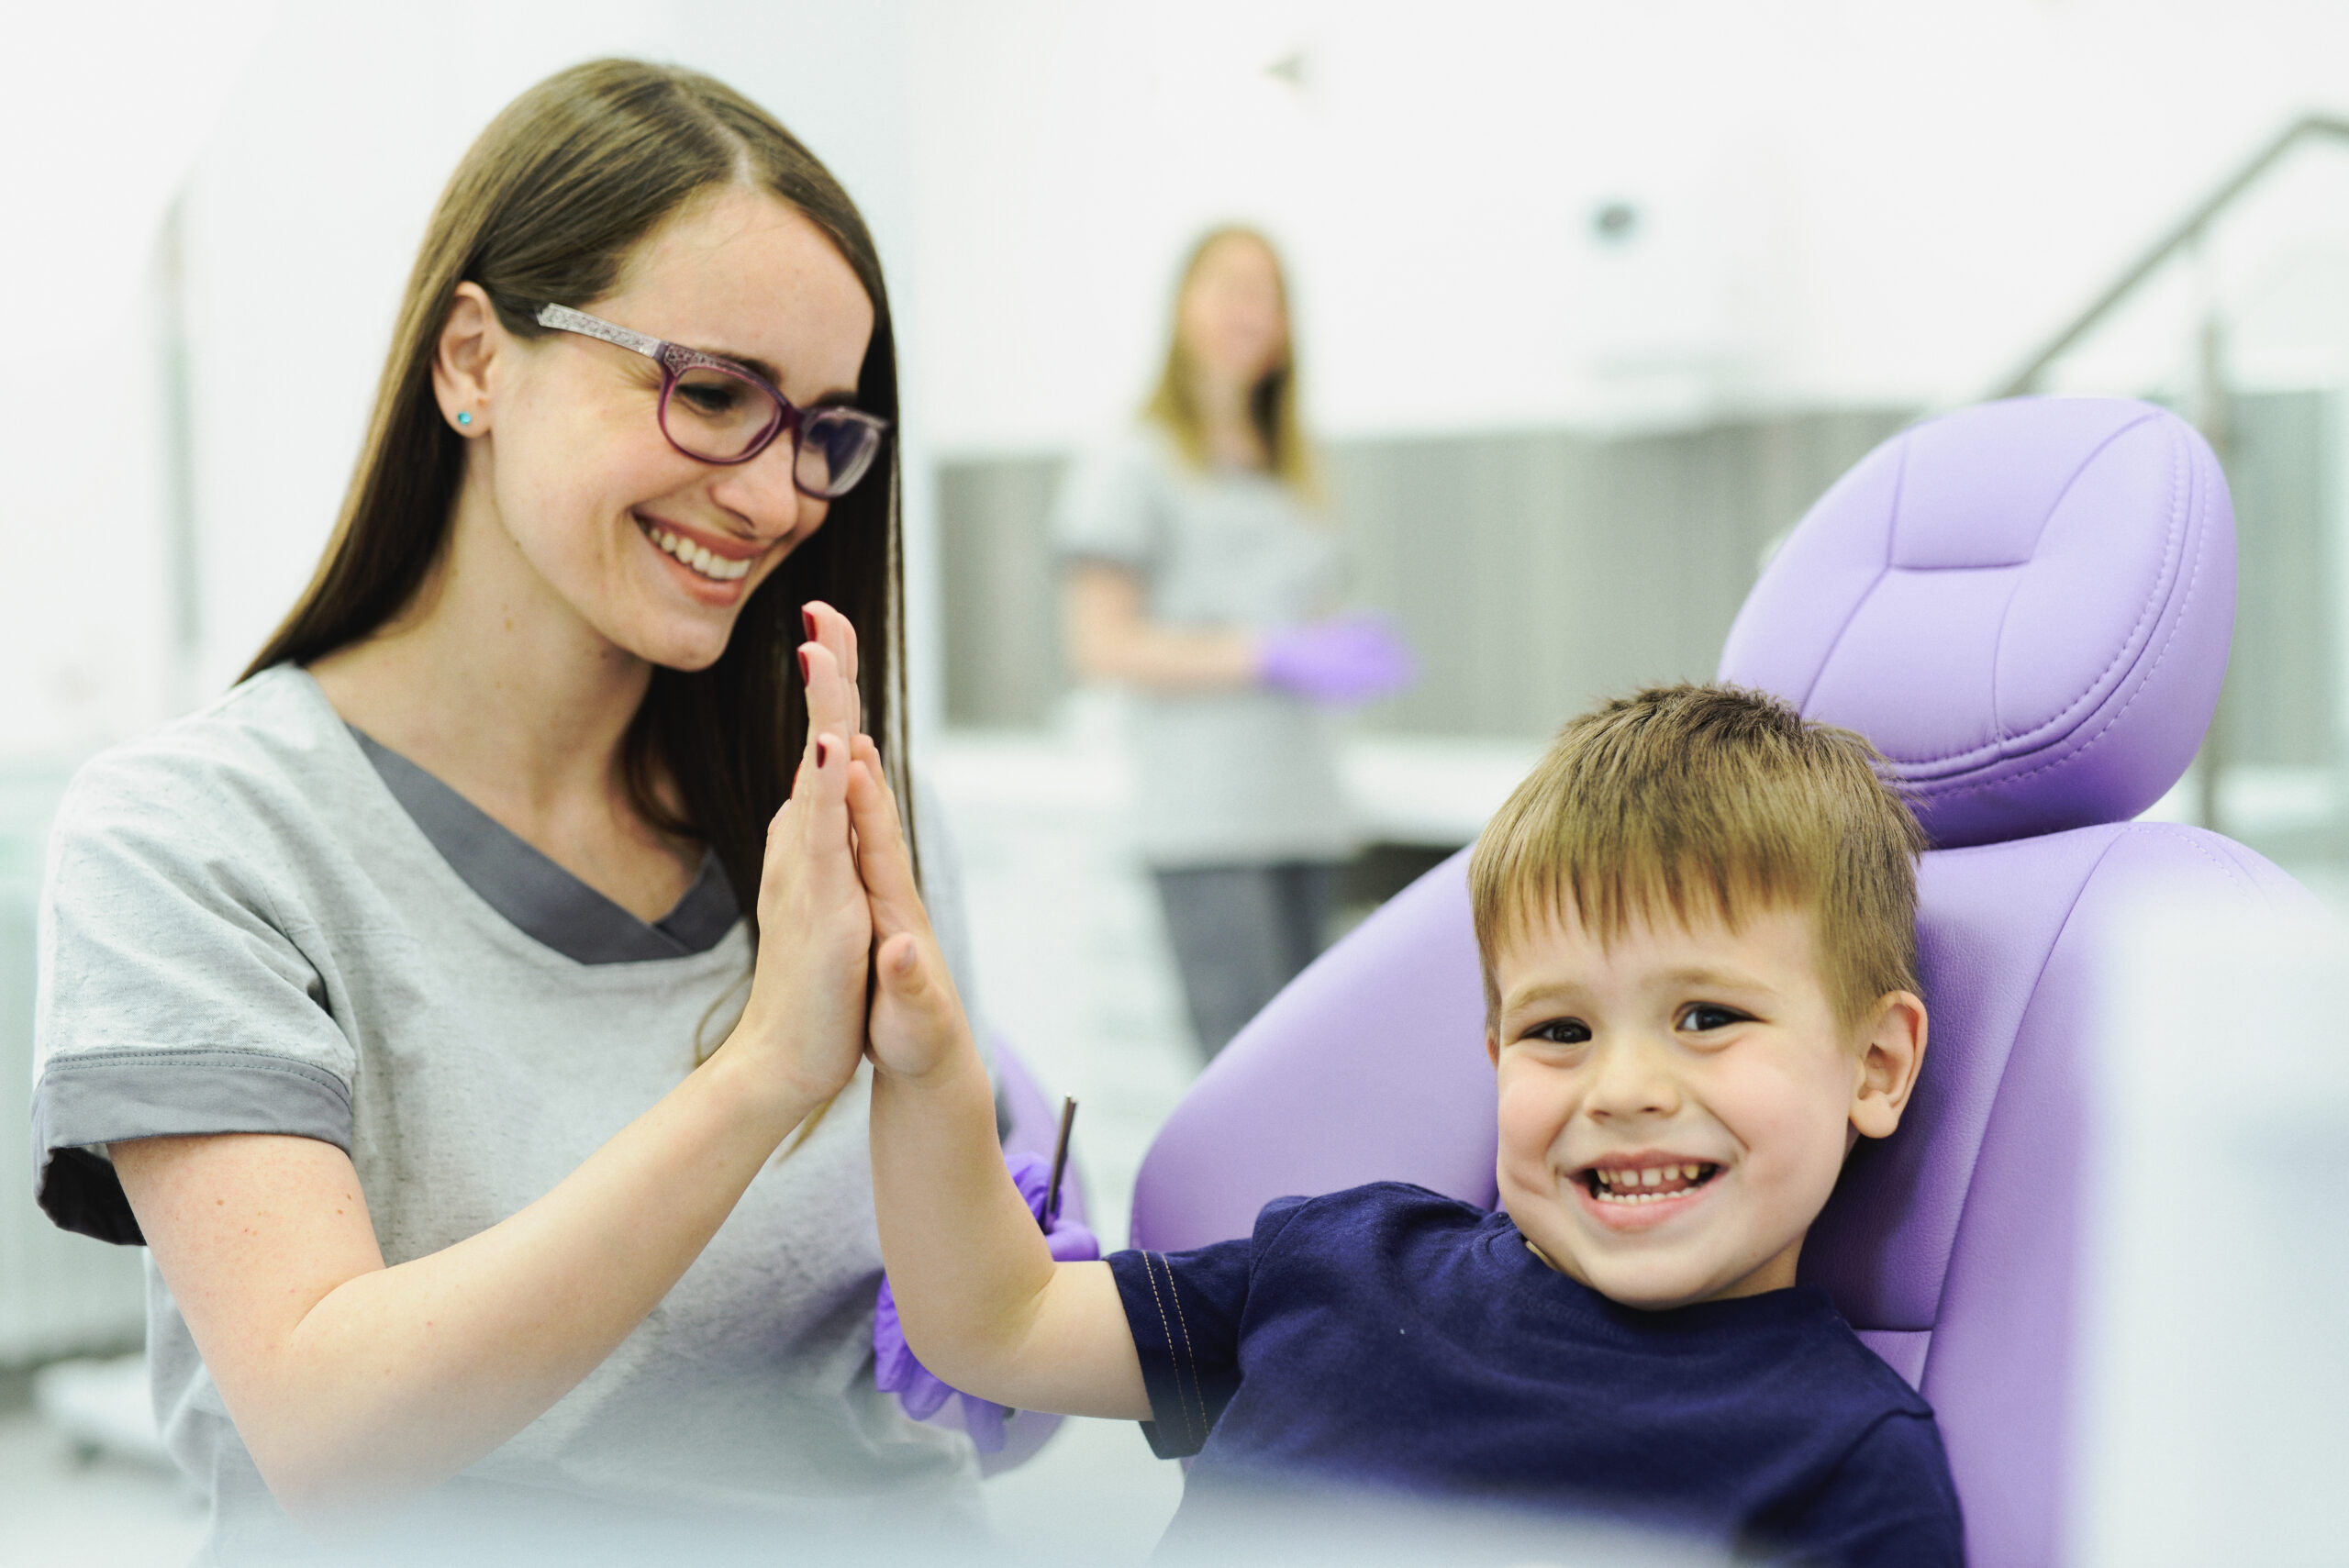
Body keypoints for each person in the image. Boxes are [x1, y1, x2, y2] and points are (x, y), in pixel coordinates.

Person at [28, 59, 989, 1560]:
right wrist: (760, 1072)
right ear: (474, 358)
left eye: (823, 432)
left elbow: (984, 1334)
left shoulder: (824, 796)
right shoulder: (193, 837)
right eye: (714, 391)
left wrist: (998, 1249)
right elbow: (327, 1429)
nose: (776, 497)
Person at [823, 684, 1965, 1563]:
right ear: (1494, 1057)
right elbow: (996, 1323)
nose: (1621, 1087)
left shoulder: (1843, 1460)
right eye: (1558, 1031)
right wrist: (925, 1068)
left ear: (1874, 1064)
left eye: (1706, 1015)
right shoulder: (1337, 1265)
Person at [1053, 227, 1412, 1060]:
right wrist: (1266, 653)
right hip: (1209, 826)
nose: (1250, 311)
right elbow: (1100, 644)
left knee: (1310, 1065)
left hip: (1305, 813)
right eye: (1229, 287)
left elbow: (1307, 612)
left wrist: (1337, 650)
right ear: (1182, 306)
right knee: (1242, 1071)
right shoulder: (1130, 464)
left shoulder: (1292, 470)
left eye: (1268, 293)